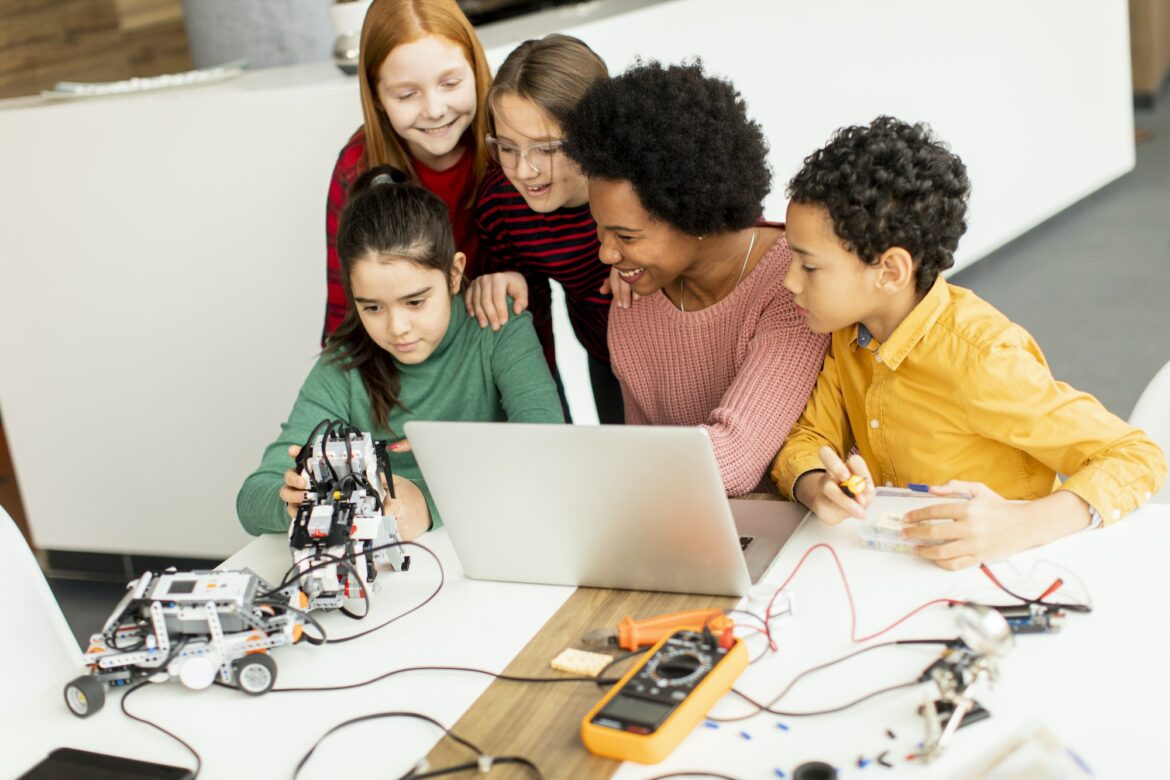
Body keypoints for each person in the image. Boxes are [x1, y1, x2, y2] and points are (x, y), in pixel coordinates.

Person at [771, 116, 1167, 569]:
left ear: (890, 272)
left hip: (1011, 572)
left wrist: (1024, 524)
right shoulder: (848, 334)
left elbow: (1136, 456)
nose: (788, 282)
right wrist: (815, 481)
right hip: (906, 566)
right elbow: (808, 436)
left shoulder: (982, 360)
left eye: (809, 266)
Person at [240, 167, 563, 539]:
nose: (396, 328)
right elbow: (252, 498)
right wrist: (293, 505)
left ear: (455, 274)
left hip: (497, 540)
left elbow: (545, 452)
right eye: (372, 307)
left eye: (415, 301)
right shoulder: (344, 365)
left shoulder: (499, 328)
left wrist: (427, 503)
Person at [561, 61, 830, 494]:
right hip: (690, 528)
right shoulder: (633, 303)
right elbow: (642, 450)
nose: (606, 253)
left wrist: (592, 474)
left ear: (694, 215)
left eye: (626, 235)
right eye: (600, 228)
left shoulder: (793, 288)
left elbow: (735, 459)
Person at [467, 35, 622, 423]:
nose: (524, 170)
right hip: (603, 351)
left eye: (547, 148)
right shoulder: (501, 206)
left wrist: (649, 262)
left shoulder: (637, 180)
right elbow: (532, 339)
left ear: (593, 135)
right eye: (506, 147)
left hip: (679, 350)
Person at [322, 0, 493, 342]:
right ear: (377, 97)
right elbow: (345, 317)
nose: (434, 109)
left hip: (509, 356)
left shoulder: (510, 146)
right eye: (407, 94)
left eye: (450, 84)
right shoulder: (357, 167)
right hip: (407, 378)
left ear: (475, 70)